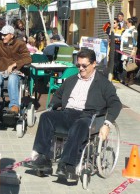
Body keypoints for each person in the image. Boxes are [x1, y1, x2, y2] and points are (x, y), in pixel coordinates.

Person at [28, 49, 122, 179]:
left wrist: (107, 124)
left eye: (84, 65)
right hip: (68, 113)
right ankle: (43, 158)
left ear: (94, 64)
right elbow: (58, 96)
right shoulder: (71, 80)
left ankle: (67, 164)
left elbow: (116, 104)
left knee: (80, 124)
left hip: (88, 116)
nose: (81, 68)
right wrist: (52, 106)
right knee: (46, 117)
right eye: (78, 65)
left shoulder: (103, 83)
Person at [0, 25, 32, 114]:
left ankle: (14, 106)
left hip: (16, 72)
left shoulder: (20, 44)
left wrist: (14, 65)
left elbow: (28, 58)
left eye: (5, 35)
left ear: (12, 35)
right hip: (2, 71)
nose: (2, 37)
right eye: (2, 35)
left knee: (12, 78)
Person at [120, 17, 138, 85]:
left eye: (126, 22)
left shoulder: (134, 30)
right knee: (127, 65)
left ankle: (130, 80)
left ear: (130, 23)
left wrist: (133, 51)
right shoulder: (127, 30)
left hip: (130, 50)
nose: (126, 23)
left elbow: (135, 42)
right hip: (125, 50)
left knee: (130, 65)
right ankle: (127, 79)